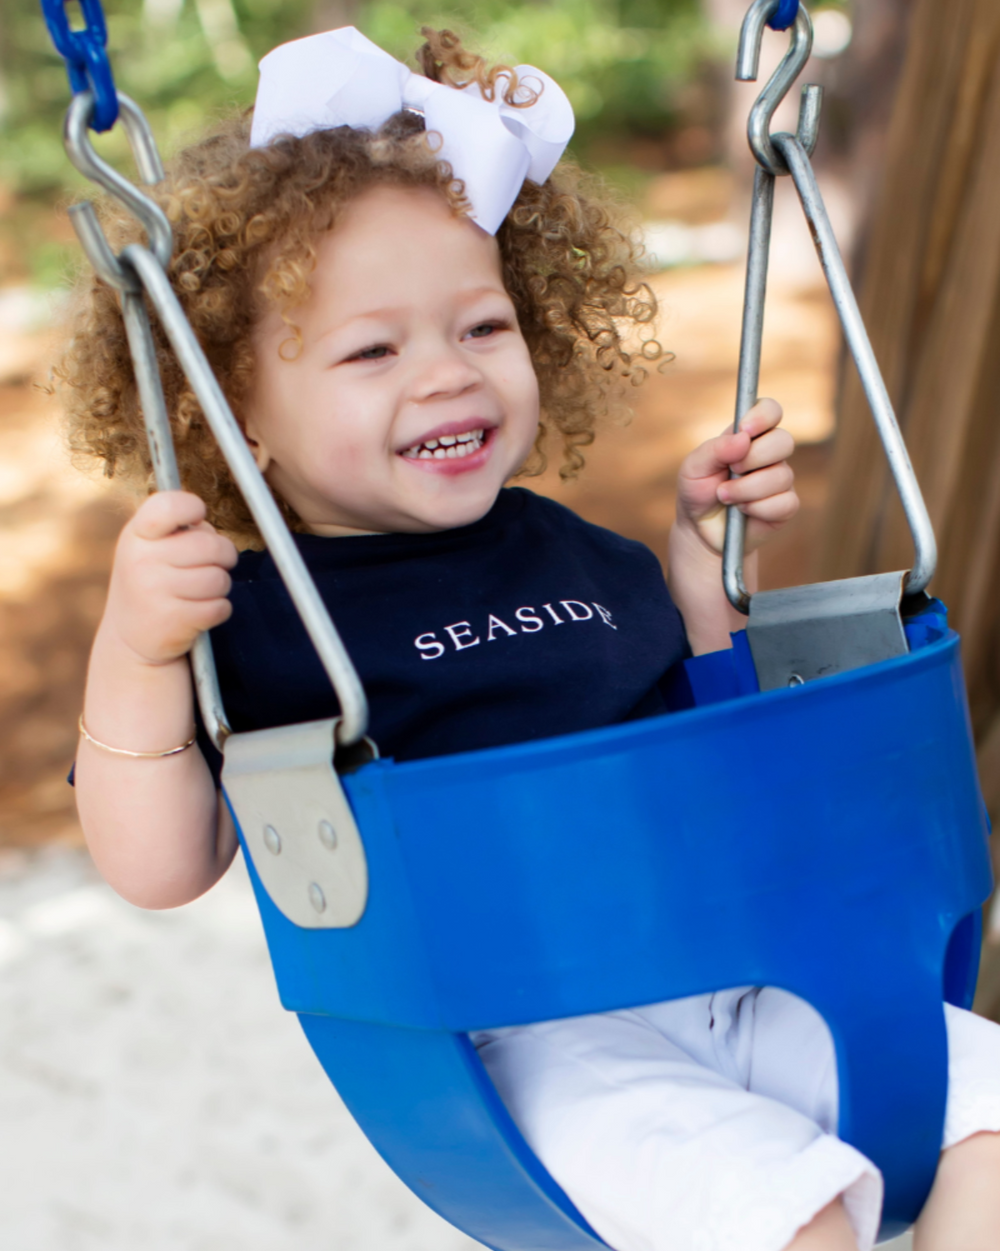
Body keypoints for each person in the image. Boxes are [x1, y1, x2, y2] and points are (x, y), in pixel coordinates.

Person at [60, 26, 1000, 1251]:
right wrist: (135, 655)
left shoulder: (581, 555)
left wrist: (699, 565)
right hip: (531, 1032)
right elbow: (157, 867)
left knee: (979, 1102)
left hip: (736, 965)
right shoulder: (255, 622)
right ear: (236, 414)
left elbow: (701, 733)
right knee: (788, 1213)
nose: (447, 374)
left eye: (482, 328)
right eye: (372, 350)